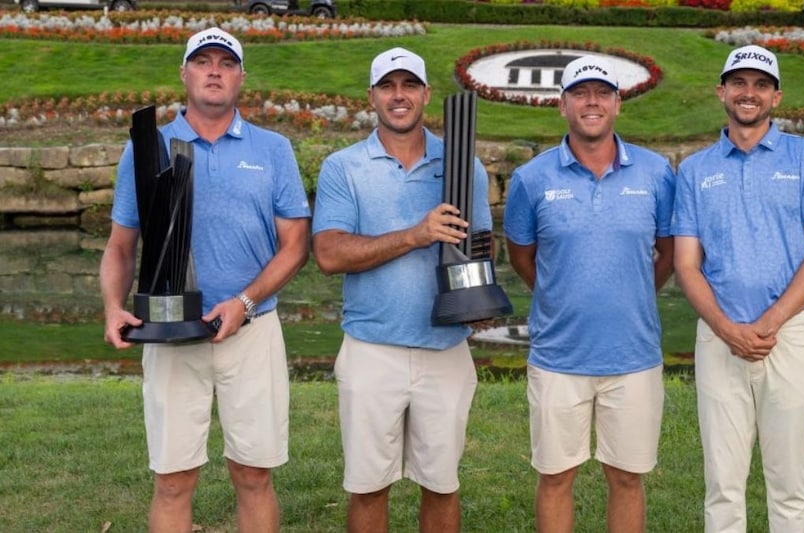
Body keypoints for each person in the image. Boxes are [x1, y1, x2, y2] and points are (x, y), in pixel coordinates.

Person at [100, 27, 311, 532]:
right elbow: (120, 246)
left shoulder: (273, 148)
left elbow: (296, 246)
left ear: (241, 77)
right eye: (202, 61)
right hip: (171, 332)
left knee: (254, 474)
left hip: (252, 329)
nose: (214, 70)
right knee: (173, 479)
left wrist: (244, 300)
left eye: (225, 62)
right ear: (184, 73)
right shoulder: (148, 148)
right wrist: (112, 306)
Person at [311, 47, 491, 532]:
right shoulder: (343, 167)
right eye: (388, 86)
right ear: (371, 96)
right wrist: (415, 234)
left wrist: (478, 300)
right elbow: (329, 254)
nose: (398, 95)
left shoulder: (461, 165)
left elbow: (479, 248)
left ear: (426, 94)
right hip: (372, 349)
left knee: (442, 484)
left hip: (445, 350)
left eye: (409, 85)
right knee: (369, 486)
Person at [671, 44, 804, 533]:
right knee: (722, 482)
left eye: (761, 85)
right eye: (740, 83)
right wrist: (728, 329)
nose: (750, 93)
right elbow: (686, 264)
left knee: (788, 480)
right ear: (721, 92)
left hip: (789, 335)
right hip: (719, 336)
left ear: (776, 96)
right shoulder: (696, 170)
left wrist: (765, 325)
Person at [504, 55, 675, 533]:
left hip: (634, 354)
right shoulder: (531, 179)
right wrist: (560, 294)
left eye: (603, 93)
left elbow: (667, 253)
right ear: (563, 105)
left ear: (618, 103)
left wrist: (632, 291)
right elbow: (521, 255)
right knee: (556, 476)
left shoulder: (656, 173)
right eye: (580, 93)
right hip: (558, 355)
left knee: (626, 477)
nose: (592, 102)